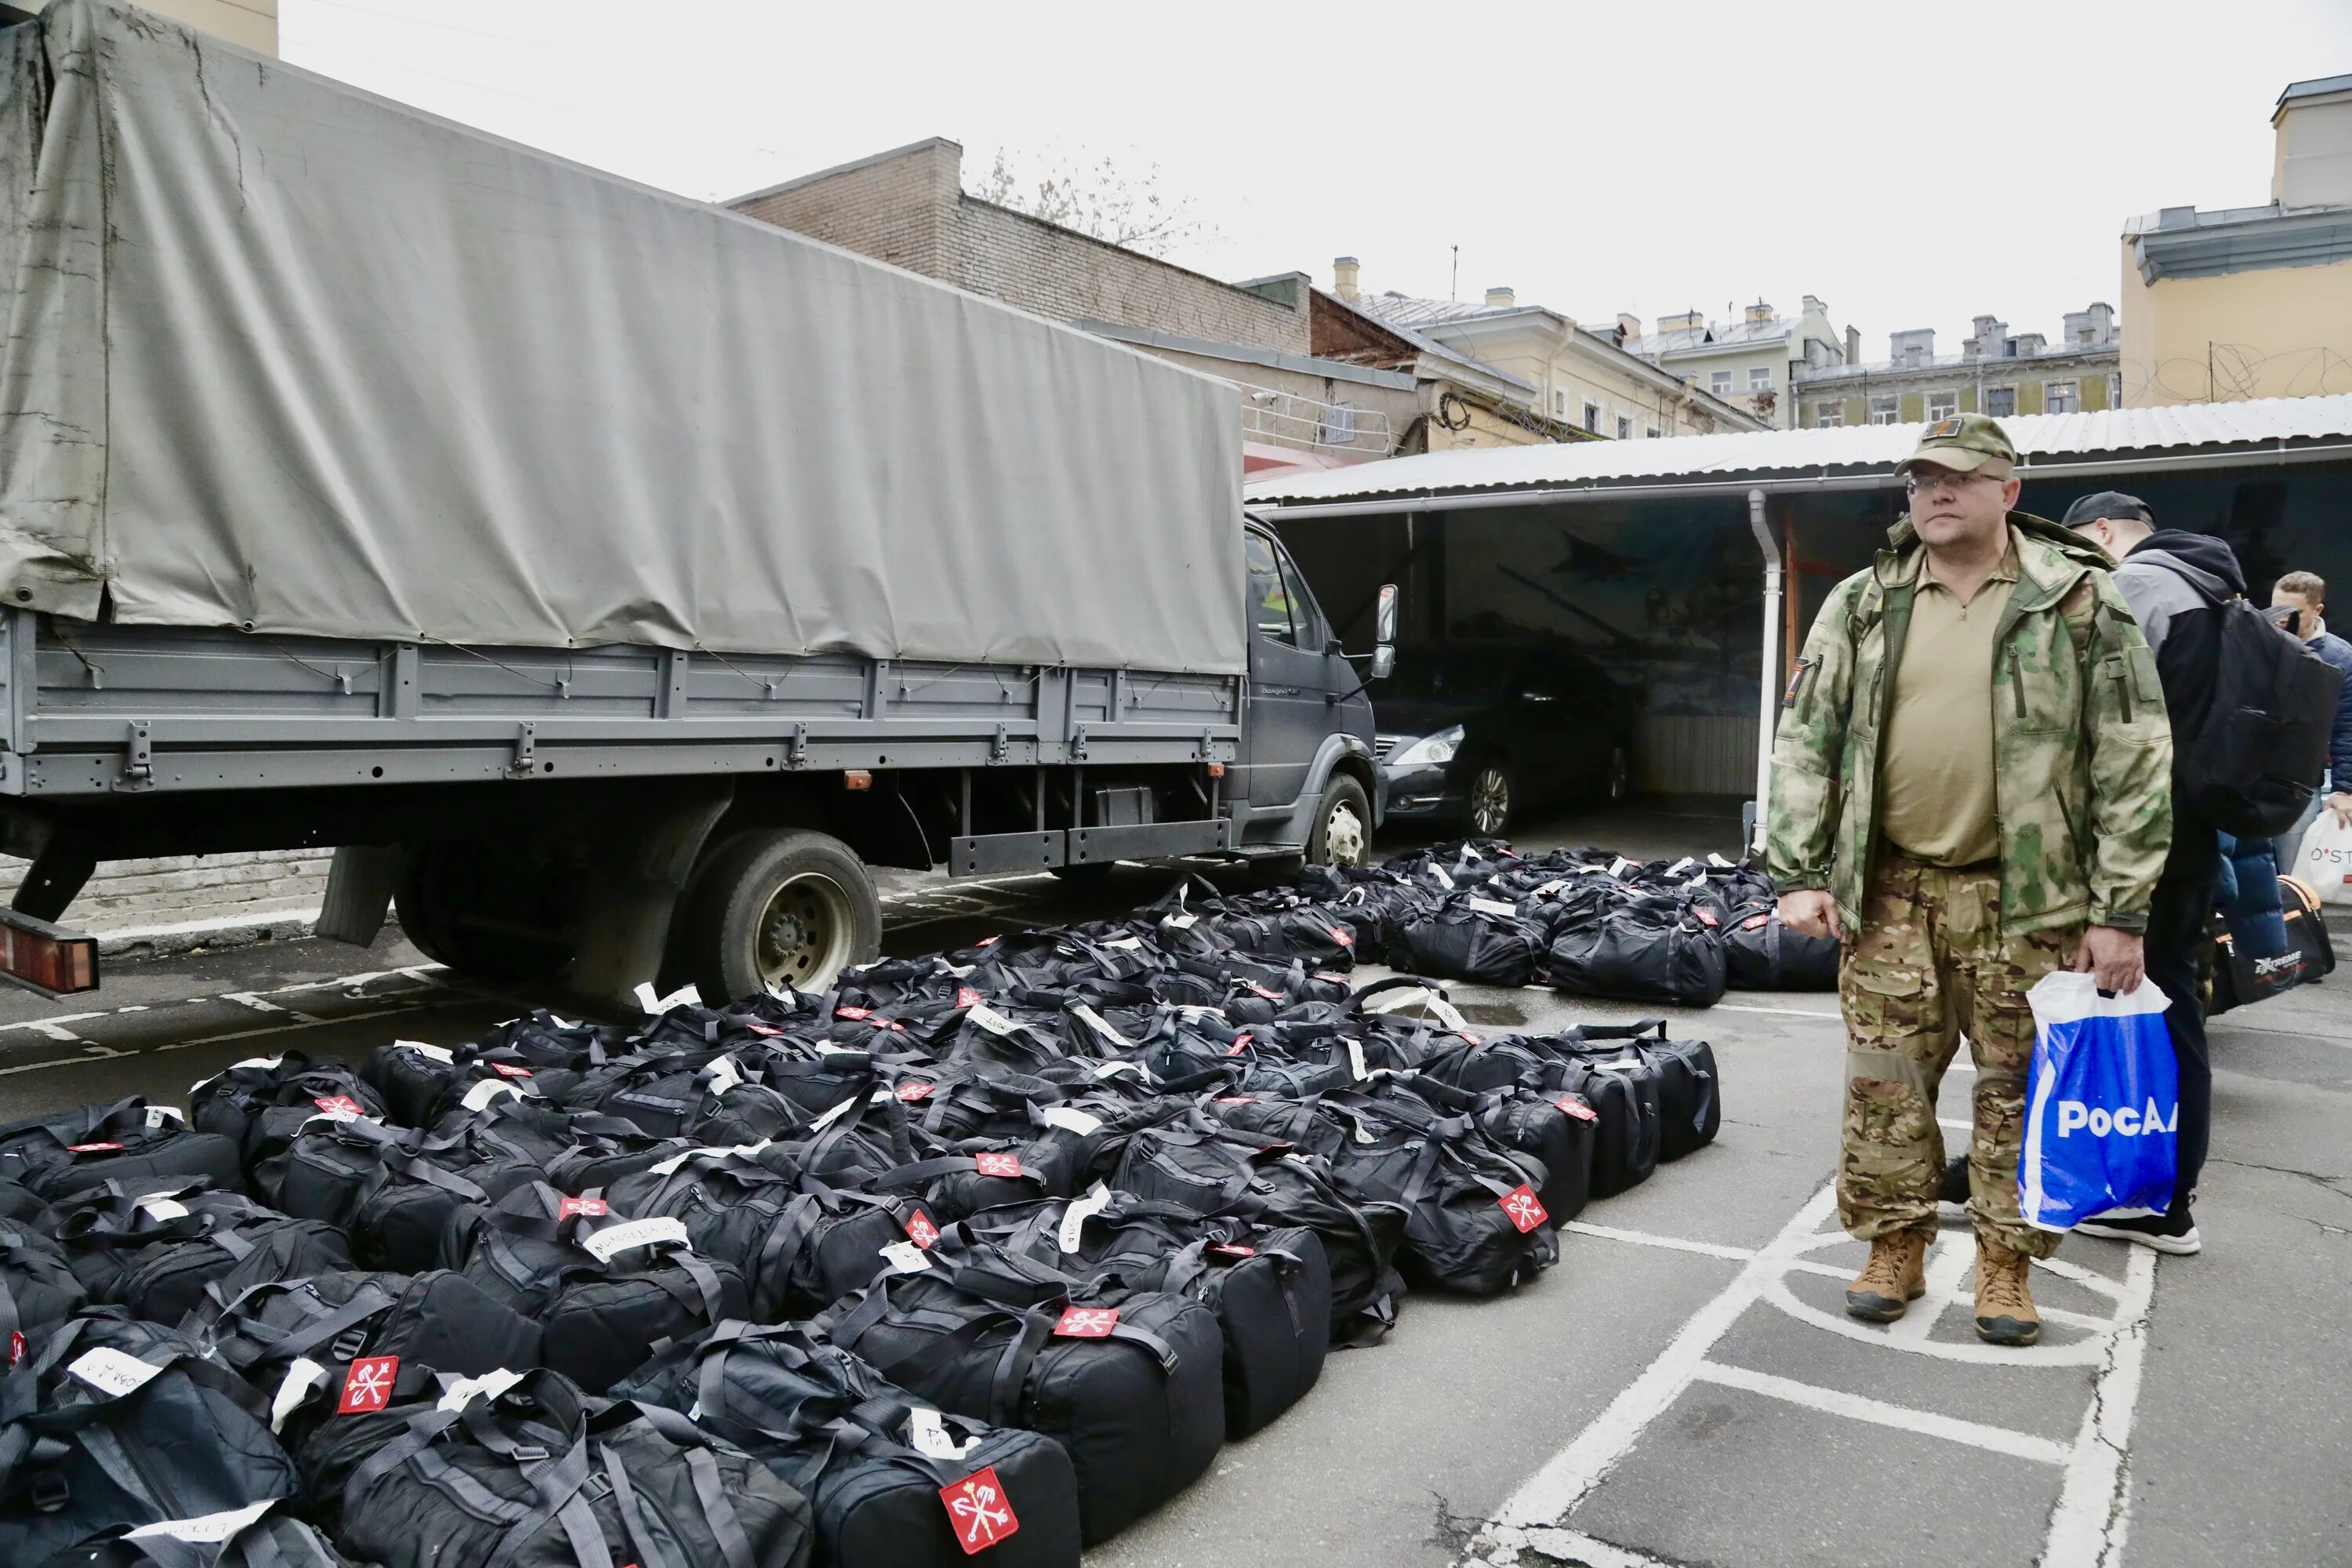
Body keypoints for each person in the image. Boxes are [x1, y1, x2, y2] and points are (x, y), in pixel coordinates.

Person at [1768, 415, 2172, 1347]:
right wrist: (1798, 869)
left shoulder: (2077, 601)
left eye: (1956, 476)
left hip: (2030, 898)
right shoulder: (1867, 600)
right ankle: (1894, 1245)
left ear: (2008, 490)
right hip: (1891, 891)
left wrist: (2121, 909)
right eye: (1918, 479)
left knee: (2019, 1088)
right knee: (1886, 1084)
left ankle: (2005, 1262)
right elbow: (1808, 738)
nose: (1935, 492)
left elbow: (2136, 757)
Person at [2060, 492, 2246, 1254]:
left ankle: (2156, 1201)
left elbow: (2109, 725)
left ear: (2105, 531)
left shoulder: (2140, 584)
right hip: (2197, 834)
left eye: (2080, 549)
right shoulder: (2216, 582)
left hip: (2148, 837)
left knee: (2146, 1007)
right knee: (2174, 1008)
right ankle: (2167, 1192)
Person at [2264, 570, 2352, 875]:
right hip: (2246, 780)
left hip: (2297, 784)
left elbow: (2347, 726)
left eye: (2293, 612)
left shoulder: (2339, 658)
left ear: (2317, 611)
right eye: (2276, 608)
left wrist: (2344, 789)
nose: (2281, 618)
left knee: (2296, 881)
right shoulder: (2258, 644)